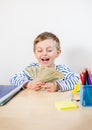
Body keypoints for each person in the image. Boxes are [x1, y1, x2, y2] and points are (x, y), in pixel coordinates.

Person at [10, 32, 79, 92]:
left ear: (57, 53)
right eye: (40, 51)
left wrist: (58, 86)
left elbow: (77, 80)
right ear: (35, 53)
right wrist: (28, 84)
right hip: (34, 102)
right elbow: (14, 79)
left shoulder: (62, 70)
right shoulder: (32, 68)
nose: (44, 53)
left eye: (49, 50)